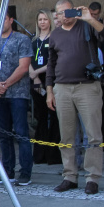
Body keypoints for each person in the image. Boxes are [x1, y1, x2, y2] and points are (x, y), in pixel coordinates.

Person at [46, 0, 104, 195]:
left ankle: (92, 178)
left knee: (93, 134)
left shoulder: (87, 26)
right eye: (60, 13)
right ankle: (69, 176)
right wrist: (50, 91)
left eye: (67, 12)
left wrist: (89, 18)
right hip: (62, 88)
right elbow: (51, 64)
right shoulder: (55, 34)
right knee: (66, 135)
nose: (64, 16)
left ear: (74, 10)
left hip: (87, 87)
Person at [0, 7, 34, 186]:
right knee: (3, 134)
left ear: (11, 20)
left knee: (21, 133)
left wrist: (5, 85)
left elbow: (23, 67)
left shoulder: (22, 39)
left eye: (2, 19)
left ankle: (25, 172)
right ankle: (7, 171)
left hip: (17, 94)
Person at [29, 10, 61, 165]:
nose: (42, 22)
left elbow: (54, 61)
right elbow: (27, 59)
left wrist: (37, 72)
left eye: (45, 19)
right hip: (35, 81)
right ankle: (40, 154)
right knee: (40, 116)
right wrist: (33, 75)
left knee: (54, 116)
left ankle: (53, 155)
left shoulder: (55, 38)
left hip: (51, 79)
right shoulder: (33, 40)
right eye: (40, 19)